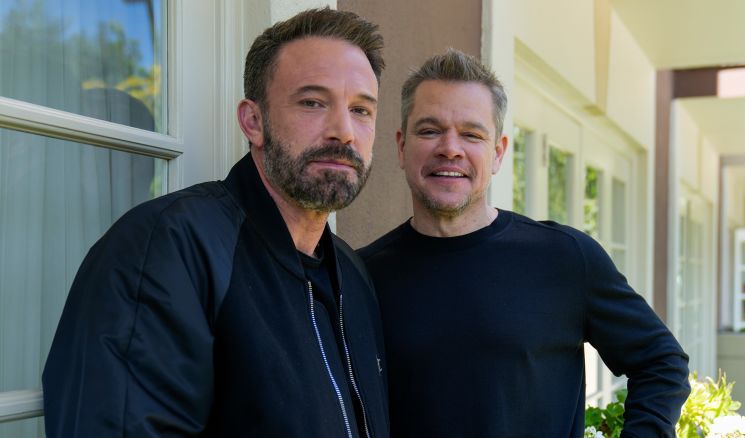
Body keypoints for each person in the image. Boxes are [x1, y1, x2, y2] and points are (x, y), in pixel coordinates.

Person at [43, 8, 389, 437]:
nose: (344, 131)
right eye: (313, 102)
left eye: (361, 110)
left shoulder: (353, 274)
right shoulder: (165, 250)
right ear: (253, 121)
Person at [358, 49, 690, 437]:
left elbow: (662, 362)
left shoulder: (564, 258)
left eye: (471, 133)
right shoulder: (362, 276)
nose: (451, 148)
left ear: (497, 153)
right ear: (401, 147)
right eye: (430, 131)